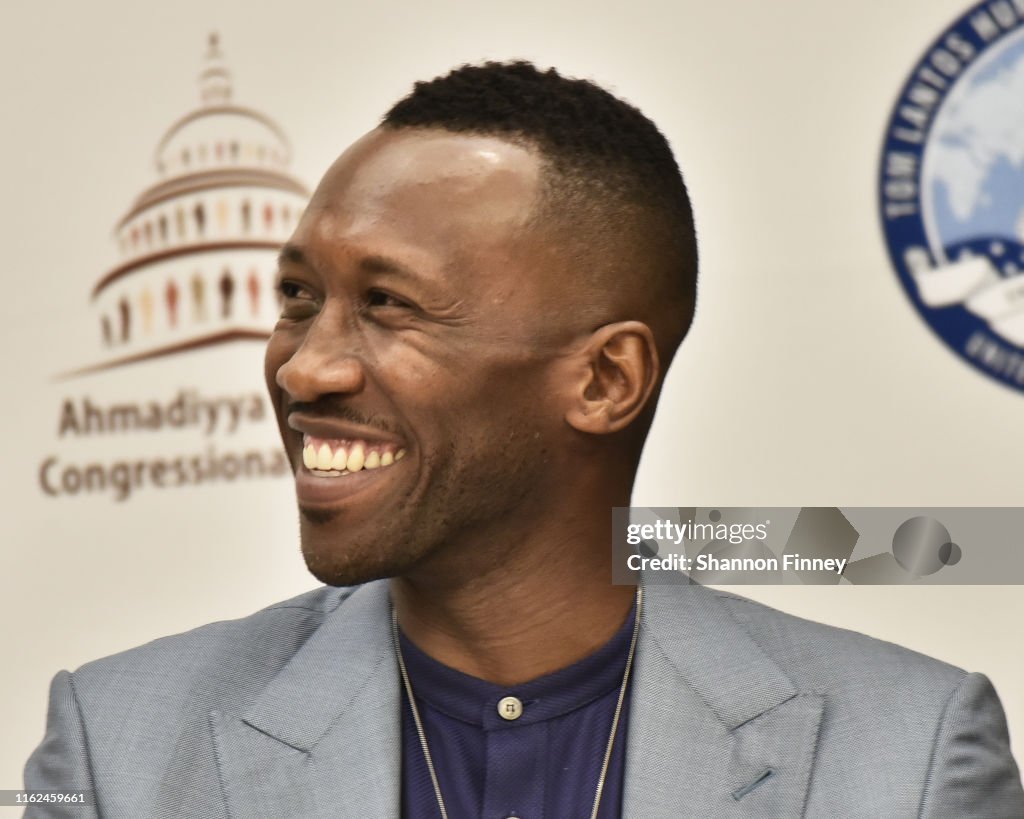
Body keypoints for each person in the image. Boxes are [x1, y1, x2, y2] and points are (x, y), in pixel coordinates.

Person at [24, 61, 1023, 818]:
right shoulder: (122, 749)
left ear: (603, 380)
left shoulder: (909, 758)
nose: (302, 368)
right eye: (298, 297)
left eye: (386, 303)